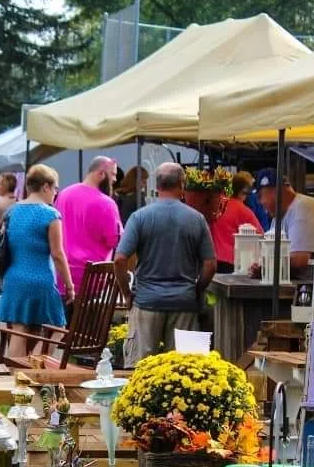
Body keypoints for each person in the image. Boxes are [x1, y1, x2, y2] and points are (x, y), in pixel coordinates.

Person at [114, 163, 217, 368]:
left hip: (146, 302)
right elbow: (210, 265)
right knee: (183, 371)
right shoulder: (196, 219)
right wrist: (196, 290)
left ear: (157, 185)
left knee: (141, 370)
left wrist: (127, 294)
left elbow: (119, 259)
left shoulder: (140, 217)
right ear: (182, 185)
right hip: (184, 304)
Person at [0, 164, 75, 358]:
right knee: (57, 326)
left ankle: (15, 378)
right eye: (56, 188)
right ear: (46, 186)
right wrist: (70, 285)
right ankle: (35, 367)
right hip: (40, 279)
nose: (56, 193)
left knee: (19, 328)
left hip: (13, 277)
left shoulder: (12, 212)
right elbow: (57, 253)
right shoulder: (50, 214)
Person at [54, 156, 122, 308]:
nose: (115, 180)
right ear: (101, 174)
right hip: (93, 281)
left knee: (63, 328)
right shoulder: (106, 203)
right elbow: (115, 240)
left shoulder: (64, 194)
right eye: (113, 174)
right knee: (87, 330)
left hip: (61, 277)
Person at [249, 168, 314, 281]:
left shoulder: (303, 207)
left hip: (311, 291)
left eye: (261, 196)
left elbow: (299, 260)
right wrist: (260, 264)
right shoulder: (278, 216)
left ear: (276, 192)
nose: (260, 202)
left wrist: (266, 266)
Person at [209, 171, 263, 273]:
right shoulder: (243, 211)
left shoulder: (216, 205)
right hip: (231, 262)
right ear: (244, 191)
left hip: (211, 260)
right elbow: (260, 236)